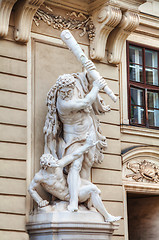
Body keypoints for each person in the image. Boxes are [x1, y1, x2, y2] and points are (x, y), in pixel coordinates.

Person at [43, 61, 111, 211]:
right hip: (73, 136)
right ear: (59, 90)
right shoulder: (64, 104)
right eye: (64, 92)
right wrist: (96, 87)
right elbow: (86, 101)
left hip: (89, 131)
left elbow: (83, 81)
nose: (67, 94)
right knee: (75, 165)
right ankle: (73, 200)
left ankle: (84, 200)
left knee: (87, 163)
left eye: (69, 90)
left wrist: (90, 73)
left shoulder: (74, 86)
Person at [28, 136, 121, 222]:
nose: (56, 164)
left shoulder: (58, 165)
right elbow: (31, 189)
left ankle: (106, 215)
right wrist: (40, 201)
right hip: (66, 197)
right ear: (46, 166)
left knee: (95, 190)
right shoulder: (40, 177)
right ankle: (106, 216)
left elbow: (74, 155)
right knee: (93, 190)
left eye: (55, 162)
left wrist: (87, 145)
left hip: (74, 191)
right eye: (53, 164)